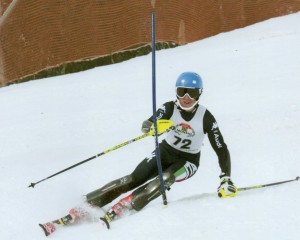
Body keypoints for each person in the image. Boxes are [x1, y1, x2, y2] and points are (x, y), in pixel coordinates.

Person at [39, 71, 238, 236]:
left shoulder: (206, 117)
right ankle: (90, 202)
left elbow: (221, 148)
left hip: (188, 161)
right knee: (134, 177)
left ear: (199, 94)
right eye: (182, 91)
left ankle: (127, 205)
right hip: (165, 151)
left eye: (192, 93)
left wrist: (225, 178)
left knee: (165, 178)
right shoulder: (169, 108)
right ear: (176, 92)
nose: (186, 97)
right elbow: (151, 121)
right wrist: (152, 126)